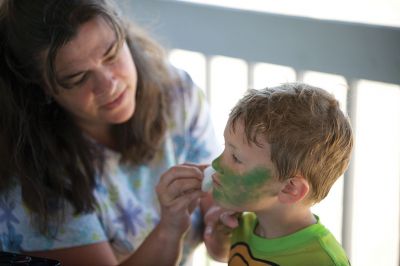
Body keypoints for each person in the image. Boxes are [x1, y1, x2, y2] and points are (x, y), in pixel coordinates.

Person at [0, 0, 222, 265]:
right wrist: (170, 228)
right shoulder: (31, 175)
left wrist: (226, 223)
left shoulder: (177, 94)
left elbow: (221, 236)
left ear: (124, 34)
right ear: (41, 87)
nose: (108, 85)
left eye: (111, 54)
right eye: (78, 77)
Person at [203, 83, 353, 265]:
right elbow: (224, 255)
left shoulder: (321, 260)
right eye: (224, 148)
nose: (216, 163)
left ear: (290, 188)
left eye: (236, 157)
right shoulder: (244, 226)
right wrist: (219, 233)